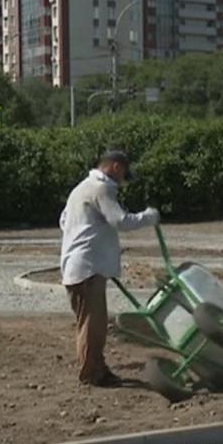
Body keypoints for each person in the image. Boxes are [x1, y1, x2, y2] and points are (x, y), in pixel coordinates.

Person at [59, 150, 160, 387]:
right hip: (87, 269)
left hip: (80, 265)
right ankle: (91, 374)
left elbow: (64, 221)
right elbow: (120, 221)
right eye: (123, 174)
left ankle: (98, 369)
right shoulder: (100, 189)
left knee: (92, 323)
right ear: (115, 167)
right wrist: (148, 217)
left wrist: (100, 243)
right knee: (92, 325)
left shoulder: (81, 188)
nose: (123, 181)